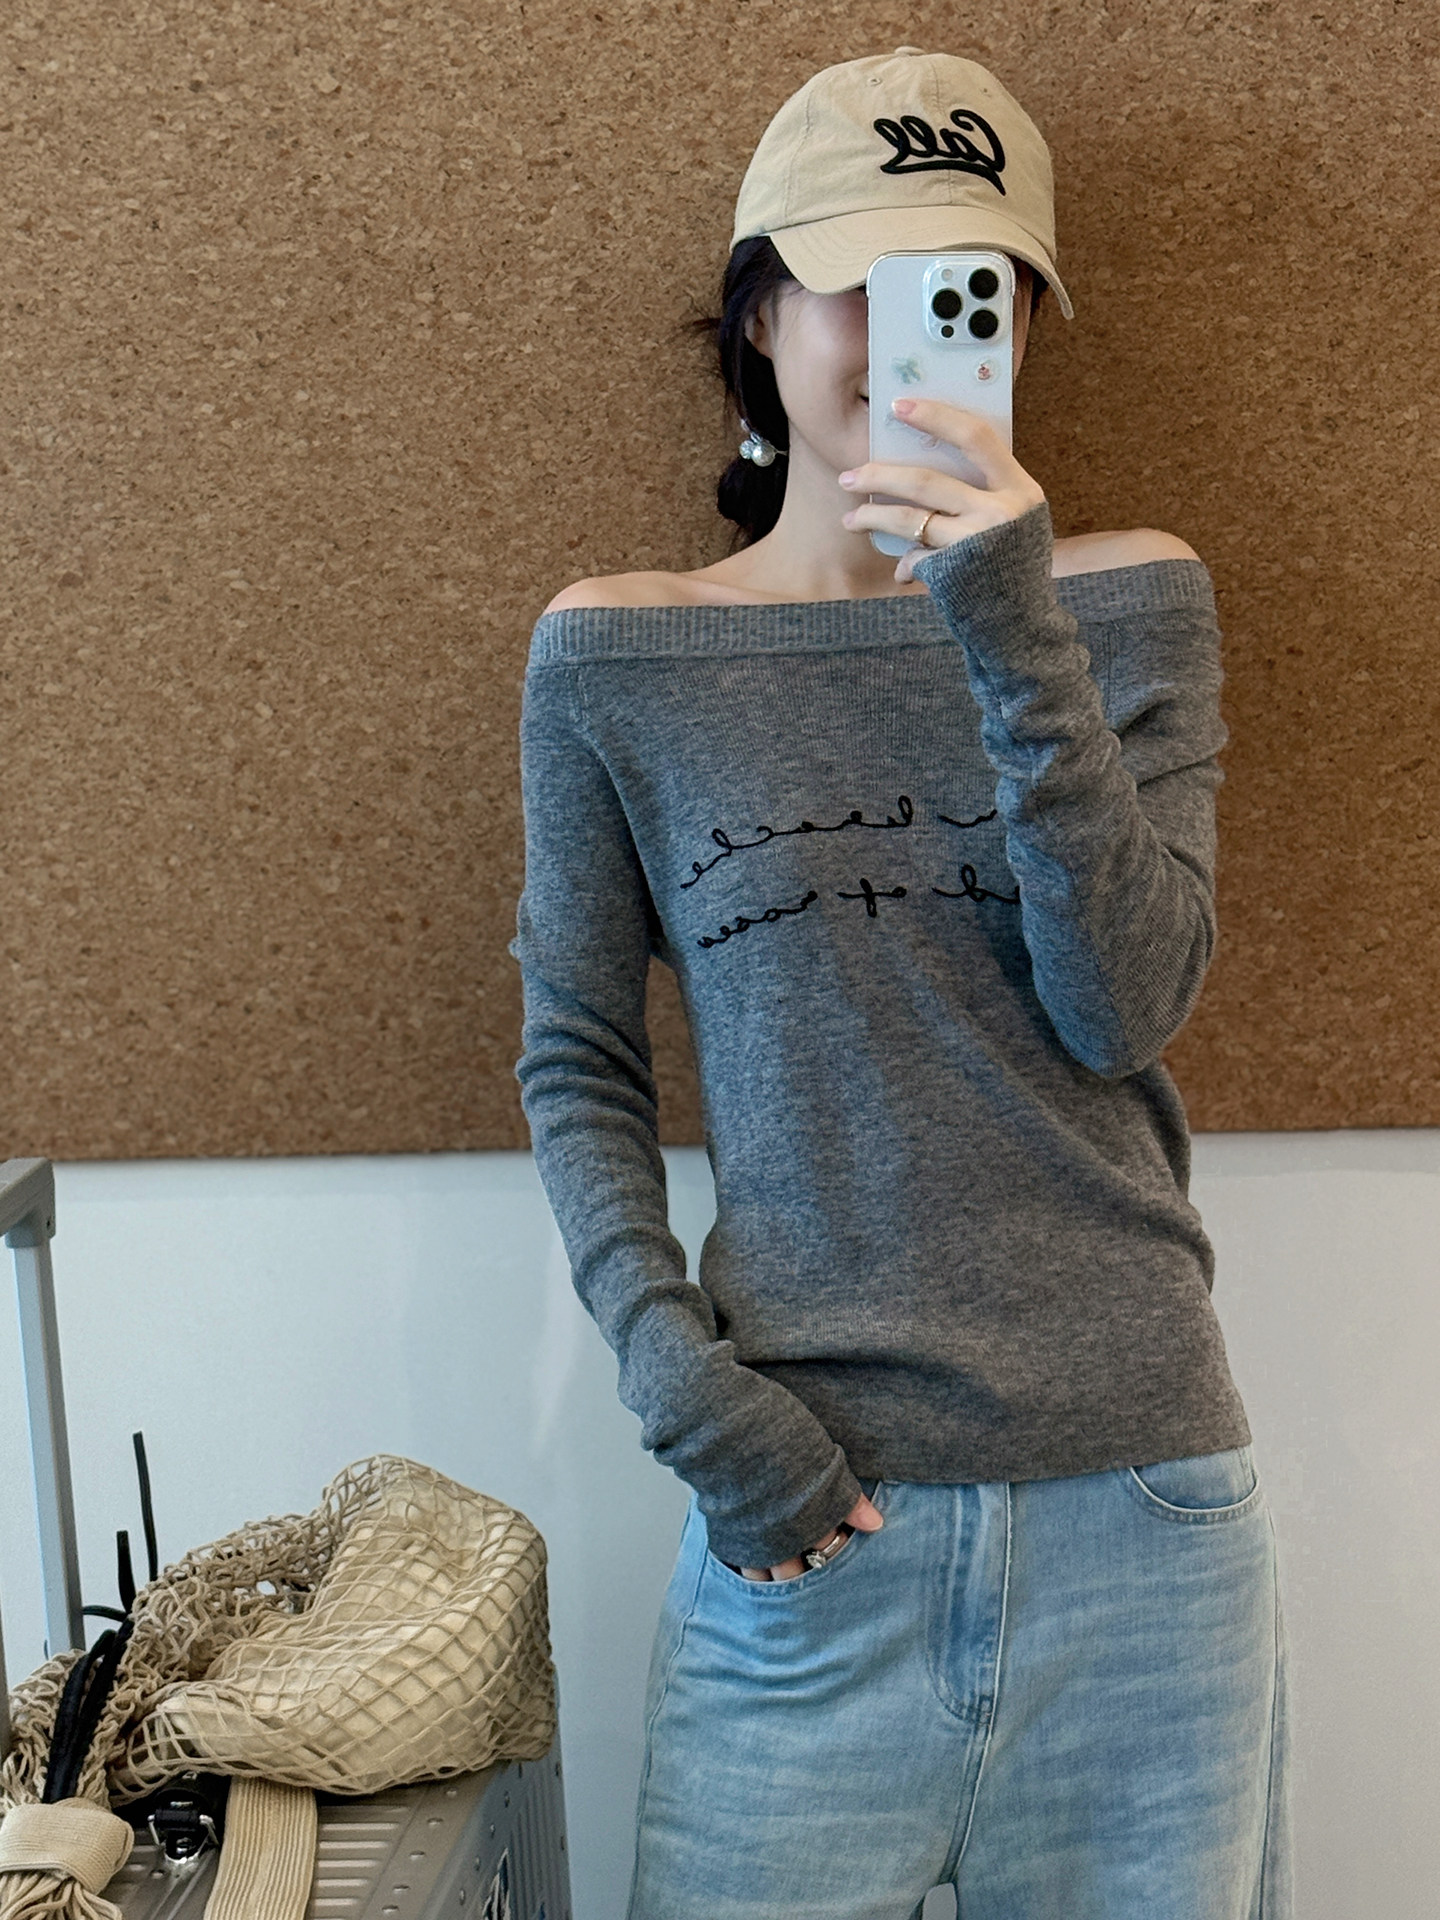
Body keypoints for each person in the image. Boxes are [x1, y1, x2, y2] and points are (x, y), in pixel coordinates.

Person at [509, 46, 1290, 1920]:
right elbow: (579, 1057)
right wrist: (686, 1390)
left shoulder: (1127, 599)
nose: (913, 332)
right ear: (760, 313)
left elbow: (1125, 1005)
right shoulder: (619, 654)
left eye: (972, 288)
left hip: (1143, 1520)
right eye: (864, 281)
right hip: (806, 1522)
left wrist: (1005, 617)